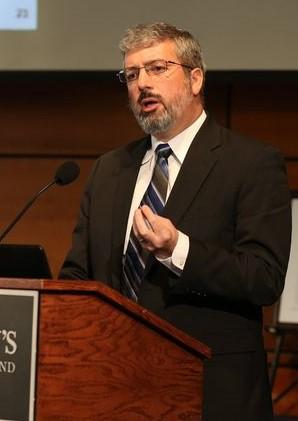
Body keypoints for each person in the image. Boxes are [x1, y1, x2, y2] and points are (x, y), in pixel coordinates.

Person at [59, 22, 291, 421]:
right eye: (131, 75)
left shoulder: (252, 163)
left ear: (195, 78)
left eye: (157, 69)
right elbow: (79, 275)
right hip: (114, 391)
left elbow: (263, 278)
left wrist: (177, 249)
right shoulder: (109, 169)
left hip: (210, 393)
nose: (141, 85)